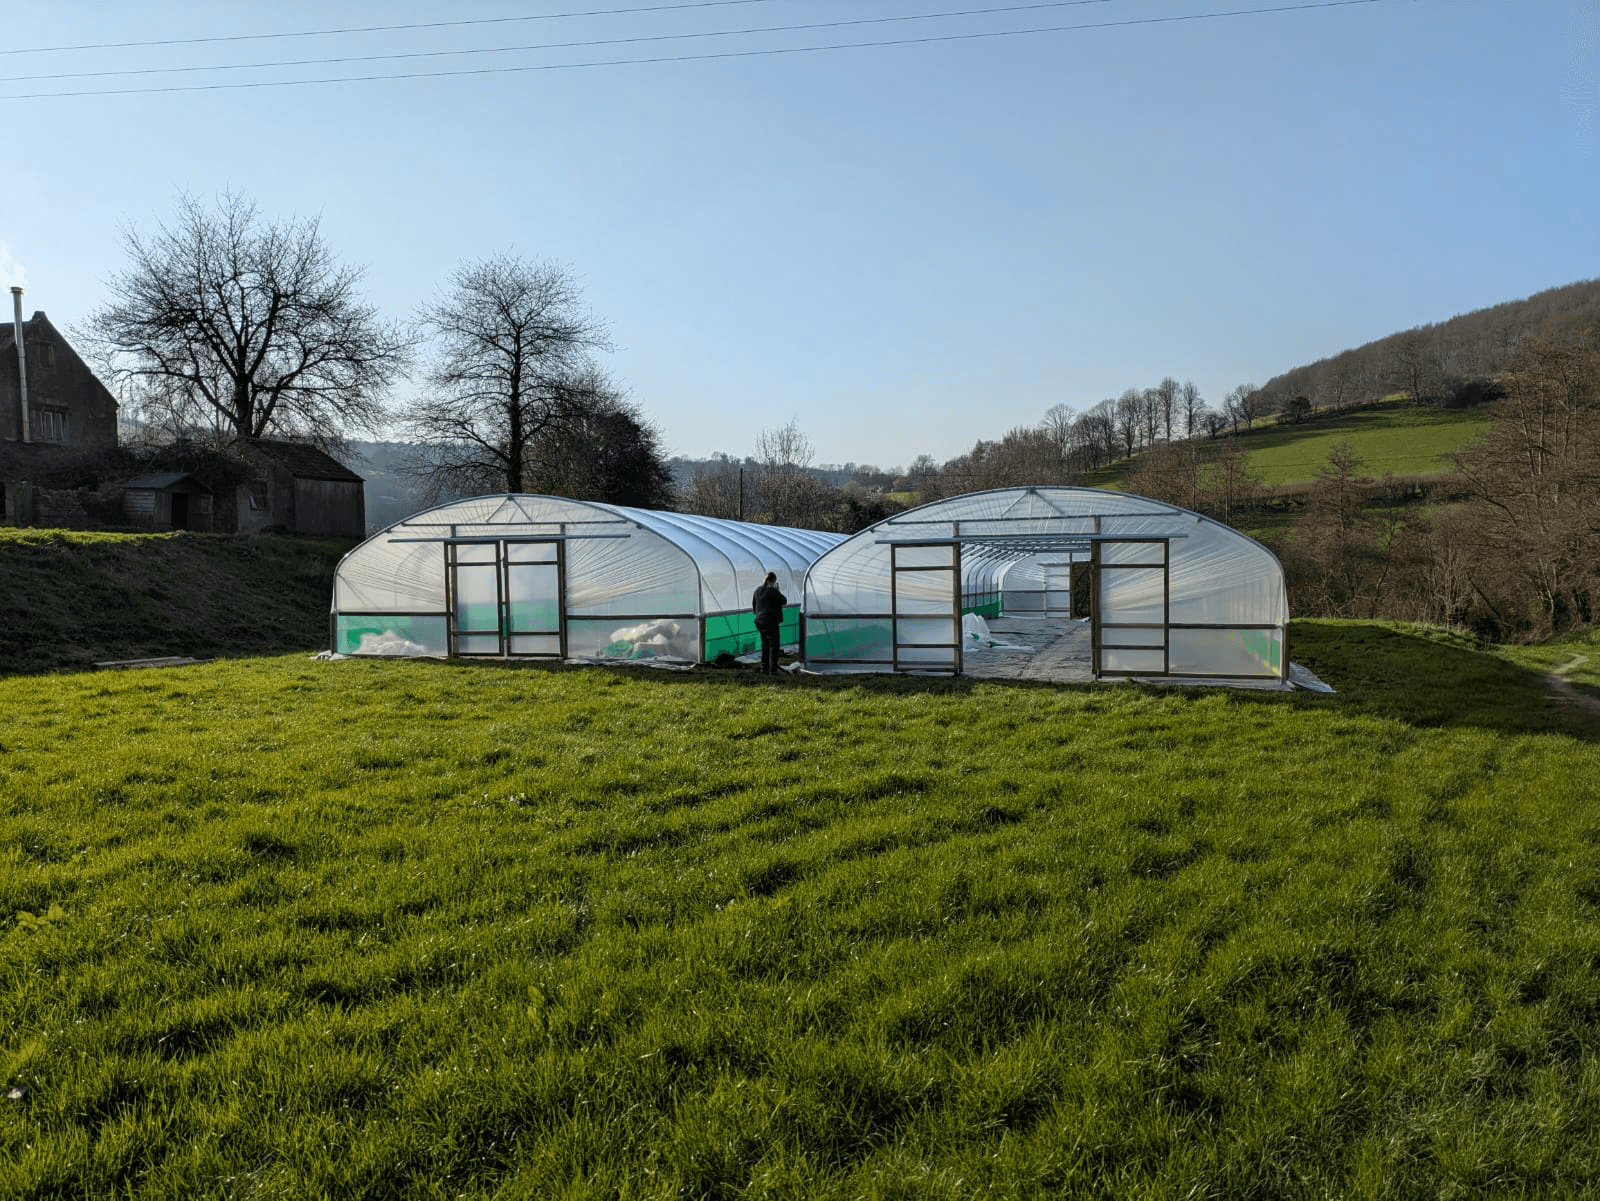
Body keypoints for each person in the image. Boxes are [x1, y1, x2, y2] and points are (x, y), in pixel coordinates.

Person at [751, 570, 787, 675]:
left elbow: (754, 606)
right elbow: (784, 600)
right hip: (770, 621)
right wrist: (777, 590)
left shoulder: (757, 590)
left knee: (765, 644)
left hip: (759, 621)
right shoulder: (772, 590)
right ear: (774, 581)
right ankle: (773, 669)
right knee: (774, 645)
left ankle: (764, 668)